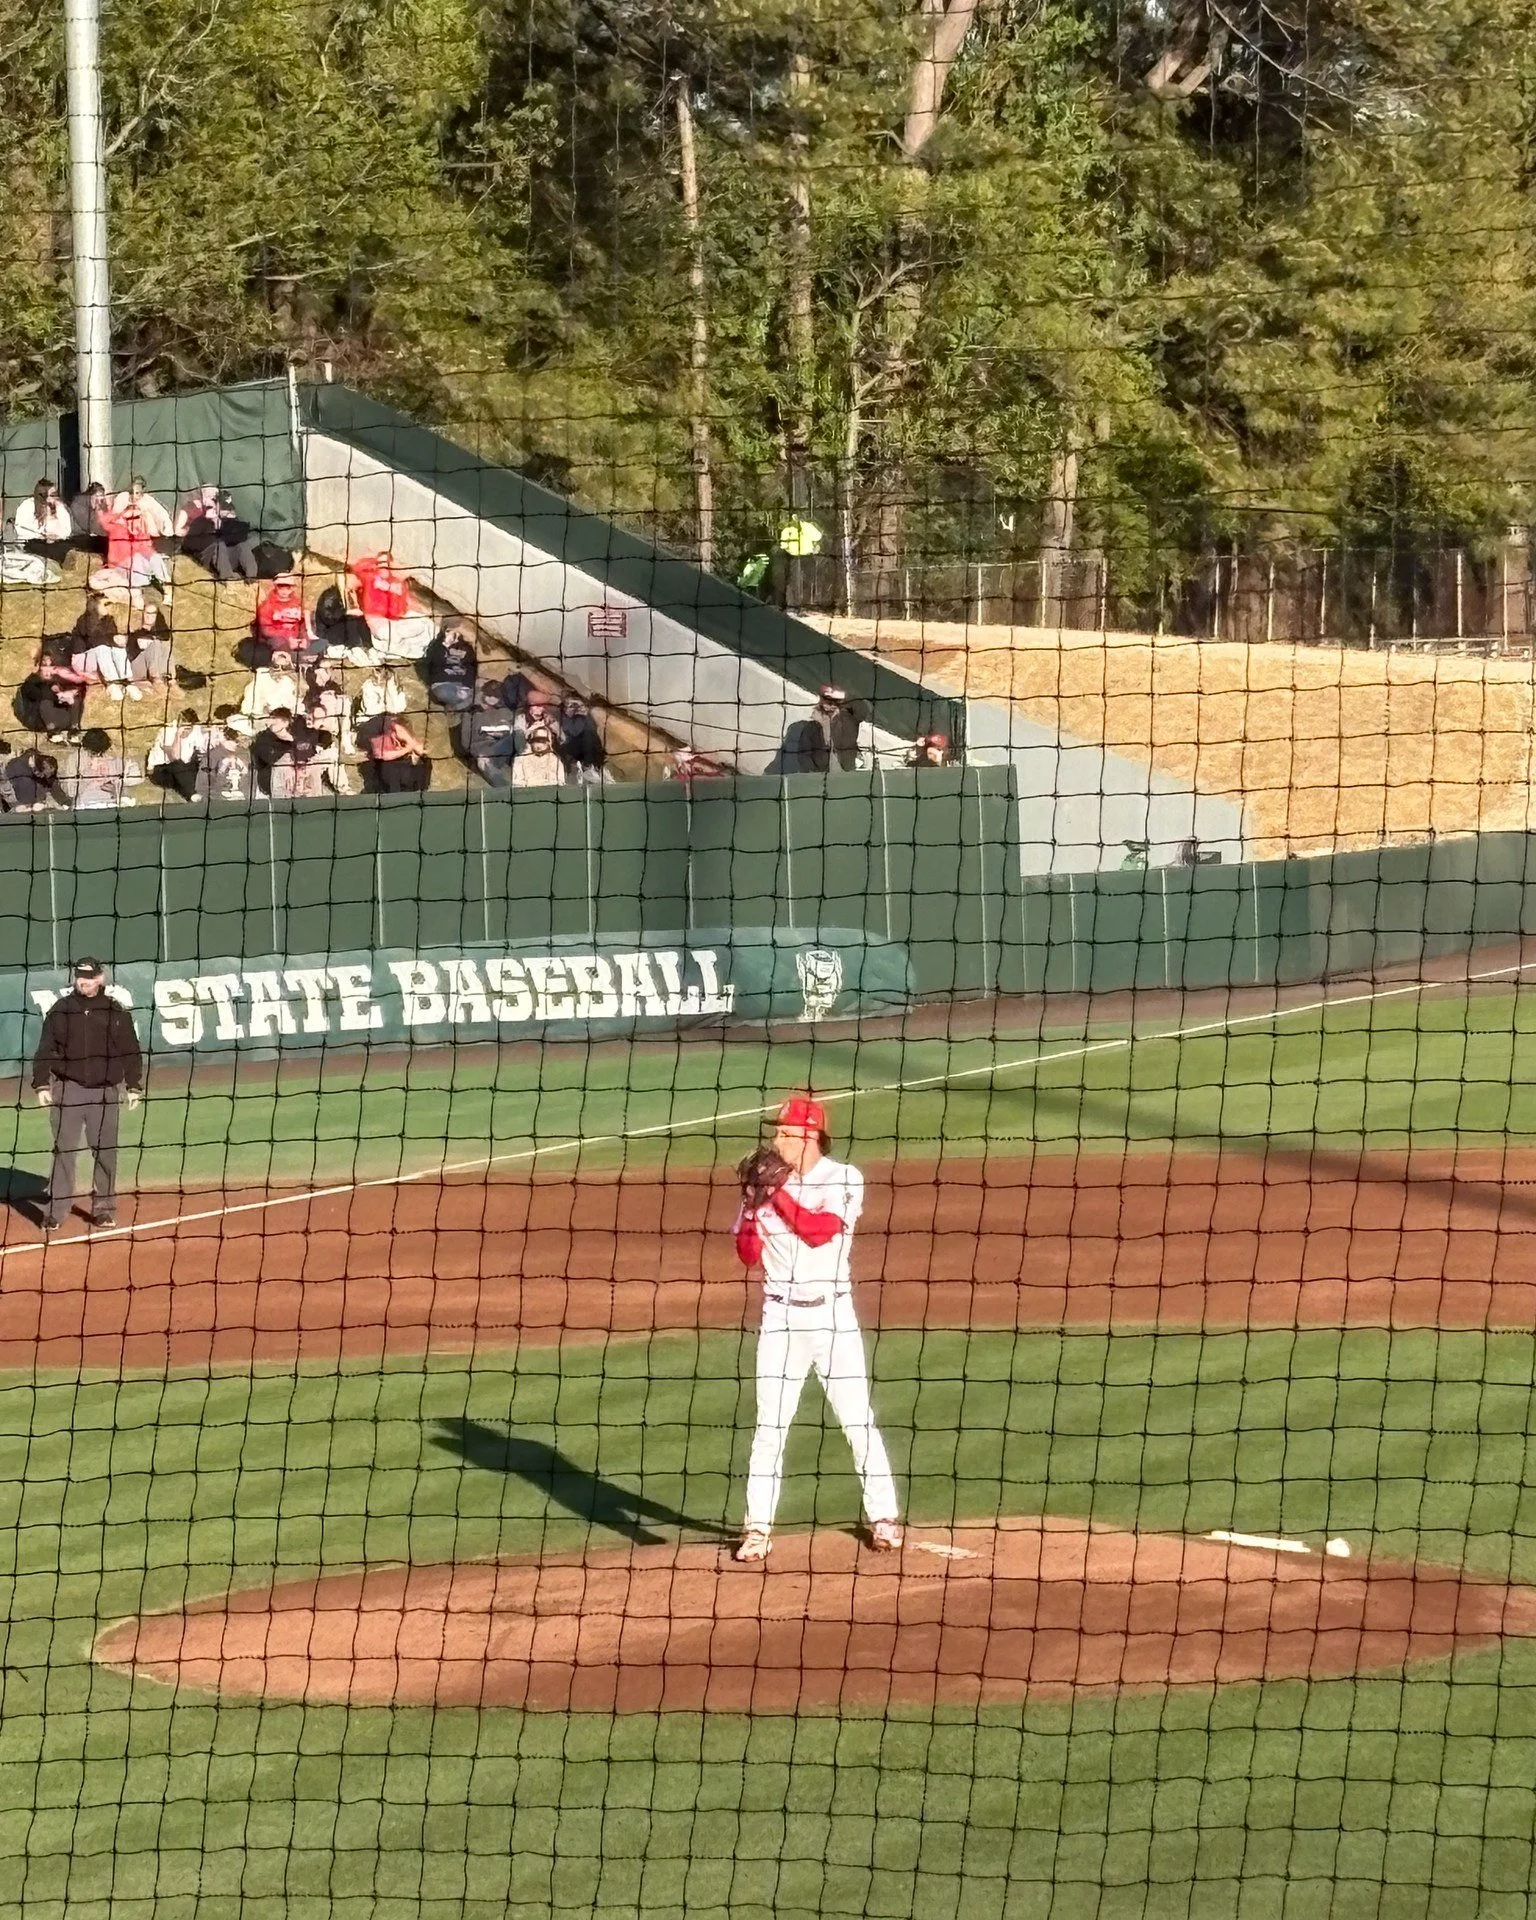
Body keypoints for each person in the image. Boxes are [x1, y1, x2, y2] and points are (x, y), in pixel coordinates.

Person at [730, 1095, 903, 1562]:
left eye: (785, 1132)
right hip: (780, 1319)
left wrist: (775, 1194)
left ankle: (883, 1517)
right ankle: (757, 1530)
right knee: (770, 1428)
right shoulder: (765, 1185)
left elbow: (818, 1230)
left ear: (809, 1137)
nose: (776, 1139)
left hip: (832, 1318)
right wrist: (750, 1208)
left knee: (857, 1420)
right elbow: (747, 1254)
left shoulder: (843, 1178)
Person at [31, 957, 144, 1231]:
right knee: (64, 1151)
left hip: (106, 1092)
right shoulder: (61, 1010)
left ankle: (104, 1208)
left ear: (100, 978)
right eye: (81, 976)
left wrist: (133, 1085)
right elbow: (45, 1048)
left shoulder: (115, 1011)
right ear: (75, 978)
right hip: (69, 1089)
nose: (85, 981)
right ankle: (56, 1211)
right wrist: (42, 1084)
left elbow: (131, 1050)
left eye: (90, 976)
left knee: (105, 1152)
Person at [95, 482, 175, 601]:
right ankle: (139, 593)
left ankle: (168, 592)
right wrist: (119, 515)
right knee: (137, 558)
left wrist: (153, 557)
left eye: (136, 518)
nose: (134, 521)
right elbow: (103, 520)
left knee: (155, 558)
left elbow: (147, 549)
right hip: (120, 567)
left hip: (138, 568)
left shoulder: (141, 531)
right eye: (130, 518)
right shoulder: (117, 529)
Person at [349, 550, 434, 661]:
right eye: (380, 564)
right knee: (401, 636)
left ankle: (423, 645)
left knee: (425, 623)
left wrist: (390, 588)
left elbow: (400, 607)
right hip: (382, 626)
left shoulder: (395, 582)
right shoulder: (371, 579)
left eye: (386, 563)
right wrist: (374, 561)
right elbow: (358, 568)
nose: (383, 566)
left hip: (395, 621)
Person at [175, 486, 258, 581]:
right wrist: (212, 539)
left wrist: (219, 524)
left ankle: (251, 577)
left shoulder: (229, 523)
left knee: (242, 546)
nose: (225, 511)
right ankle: (226, 577)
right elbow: (187, 543)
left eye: (228, 509)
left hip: (227, 558)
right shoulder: (201, 521)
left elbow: (240, 537)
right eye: (223, 508)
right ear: (215, 505)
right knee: (219, 545)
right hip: (208, 557)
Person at [63, 729, 141, 809]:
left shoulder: (112, 758)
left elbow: (137, 776)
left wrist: (116, 789)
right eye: (93, 753)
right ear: (85, 747)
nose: (98, 755)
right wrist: (87, 776)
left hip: (110, 802)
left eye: (101, 752)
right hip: (86, 804)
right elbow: (72, 792)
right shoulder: (75, 759)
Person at [460, 682, 517, 788]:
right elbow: (465, 741)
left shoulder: (507, 712)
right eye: (489, 694)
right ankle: (505, 789)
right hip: (481, 750)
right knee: (483, 760)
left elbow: (512, 733)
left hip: (501, 749)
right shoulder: (471, 713)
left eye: (496, 696)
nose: (492, 698)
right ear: (483, 694)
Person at [147, 709, 210, 802]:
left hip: (185, 768)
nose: (186, 732)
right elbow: (174, 757)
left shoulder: (196, 730)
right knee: (178, 766)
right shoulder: (166, 732)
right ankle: (191, 794)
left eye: (189, 729)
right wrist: (178, 735)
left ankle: (194, 792)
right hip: (162, 769)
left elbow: (202, 750)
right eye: (183, 728)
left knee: (198, 763)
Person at [254, 575, 317, 660]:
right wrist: (288, 639)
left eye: (288, 588)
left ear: (292, 589)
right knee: (278, 643)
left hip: (296, 639)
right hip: (276, 639)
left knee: (320, 643)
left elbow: (304, 624)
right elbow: (266, 630)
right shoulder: (267, 605)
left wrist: (304, 639)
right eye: (281, 588)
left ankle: (303, 657)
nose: (284, 591)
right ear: (276, 587)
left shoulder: (298, 603)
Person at [235, 650, 300, 733]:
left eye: (284, 667)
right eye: (276, 666)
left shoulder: (289, 682)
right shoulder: (290, 698)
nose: (279, 670)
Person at [422, 618, 479, 710]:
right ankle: (452, 706)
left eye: (457, 636)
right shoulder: (438, 647)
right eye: (452, 634)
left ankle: (451, 705)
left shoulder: (465, 648)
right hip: (445, 683)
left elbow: (471, 666)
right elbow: (433, 660)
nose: (455, 638)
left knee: (455, 697)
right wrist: (444, 644)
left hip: (453, 683)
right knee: (458, 698)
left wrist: (467, 683)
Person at [365, 714, 432, 793]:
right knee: (389, 767)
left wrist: (408, 739)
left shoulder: (401, 728)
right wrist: (406, 749)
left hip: (403, 767)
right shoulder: (377, 733)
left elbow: (420, 750)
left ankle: (419, 791)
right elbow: (382, 755)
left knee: (425, 762)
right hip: (387, 768)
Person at [14, 480, 74, 563]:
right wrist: (40, 536)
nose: (50, 499)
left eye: (53, 495)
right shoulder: (27, 505)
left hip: (55, 544)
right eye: (45, 495)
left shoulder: (60, 507)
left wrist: (56, 536)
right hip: (32, 543)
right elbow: (21, 529)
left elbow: (67, 530)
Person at [557, 695, 607, 784]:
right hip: (570, 747)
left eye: (577, 705)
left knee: (590, 735)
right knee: (588, 734)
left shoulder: (584, 716)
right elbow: (573, 732)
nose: (575, 708)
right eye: (571, 705)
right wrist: (570, 715)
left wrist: (585, 715)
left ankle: (592, 767)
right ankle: (588, 767)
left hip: (586, 748)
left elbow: (593, 730)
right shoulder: (561, 715)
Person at [249, 709, 299, 797]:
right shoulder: (263, 738)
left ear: (285, 722)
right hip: (268, 788)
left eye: (275, 720)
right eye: (270, 719)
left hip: (295, 789)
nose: (270, 722)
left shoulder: (298, 741)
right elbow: (266, 758)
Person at [3, 745, 64, 811]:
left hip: (36, 806)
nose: (43, 777)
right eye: (42, 775)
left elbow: (51, 783)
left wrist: (64, 802)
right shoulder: (16, 767)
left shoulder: (44, 765)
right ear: (36, 771)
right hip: (21, 807)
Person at [510, 722, 565, 788]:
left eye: (543, 741)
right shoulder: (520, 760)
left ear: (549, 742)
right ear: (530, 742)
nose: (539, 745)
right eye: (536, 741)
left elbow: (560, 781)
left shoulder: (554, 760)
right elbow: (515, 782)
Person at [355, 661, 408, 727]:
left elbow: (399, 708)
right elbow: (370, 711)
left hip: (392, 721)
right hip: (370, 722)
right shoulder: (369, 686)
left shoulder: (392, 684)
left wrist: (390, 688)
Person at [69, 482, 109, 555]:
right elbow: (91, 527)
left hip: (93, 538)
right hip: (77, 539)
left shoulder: (101, 505)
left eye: (101, 497)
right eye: (96, 496)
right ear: (89, 496)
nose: (99, 501)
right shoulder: (78, 504)